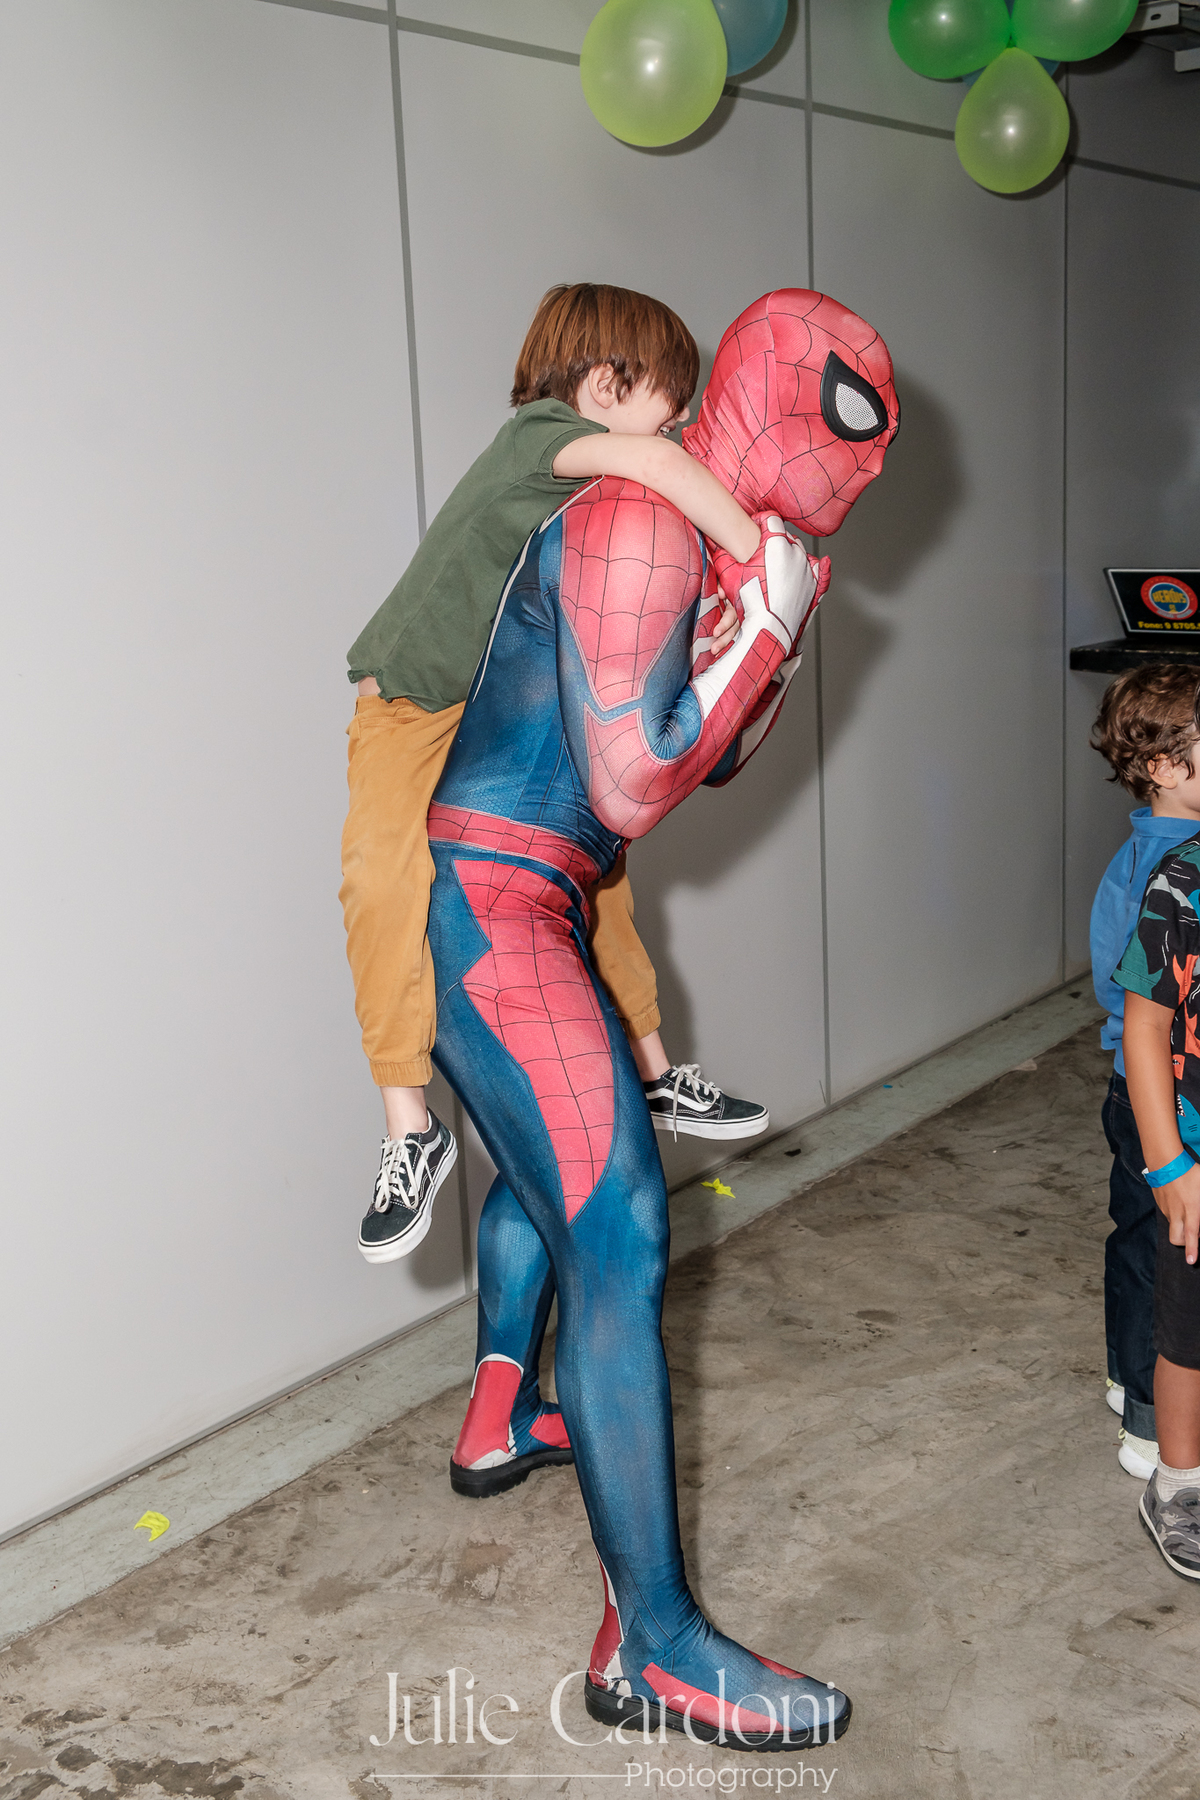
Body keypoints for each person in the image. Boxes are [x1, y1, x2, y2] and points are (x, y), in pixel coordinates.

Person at [428, 290, 898, 1743]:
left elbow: (715, 758)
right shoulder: (639, 520)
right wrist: (763, 629)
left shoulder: (695, 537)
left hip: (531, 902)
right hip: (499, 906)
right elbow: (635, 783)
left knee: (559, 1175)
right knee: (621, 1223)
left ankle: (500, 1415)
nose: (864, 463)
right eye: (848, 423)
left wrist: (768, 636)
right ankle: (656, 1648)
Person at [340, 284, 774, 1267]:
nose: (682, 419)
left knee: (596, 877)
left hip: (480, 714)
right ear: (606, 384)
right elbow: (659, 461)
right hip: (407, 704)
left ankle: (655, 1072)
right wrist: (762, 563)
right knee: (379, 878)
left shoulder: (578, 482)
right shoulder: (539, 437)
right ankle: (409, 1123)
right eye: (670, 396)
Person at [1090, 665, 1200, 1480]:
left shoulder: (1157, 853)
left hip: (1153, 1088)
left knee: (1150, 1244)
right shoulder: (1164, 872)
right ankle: (1144, 1413)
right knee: (1156, 1251)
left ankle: (1134, 1378)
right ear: (1163, 765)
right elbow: (1137, 1007)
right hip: (1150, 1094)